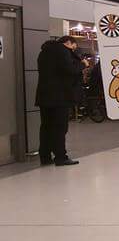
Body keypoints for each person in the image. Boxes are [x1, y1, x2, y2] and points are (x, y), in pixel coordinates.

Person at [36, 35, 86, 166]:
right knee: (60, 127)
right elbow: (70, 70)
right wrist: (82, 64)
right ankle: (60, 157)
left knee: (46, 126)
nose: (74, 49)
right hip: (60, 96)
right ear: (68, 42)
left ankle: (45, 156)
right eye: (74, 46)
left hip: (44, 96)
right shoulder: (62, 51)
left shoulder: (43, 52)